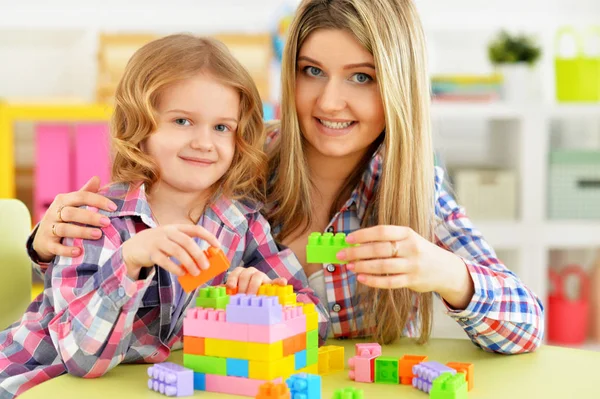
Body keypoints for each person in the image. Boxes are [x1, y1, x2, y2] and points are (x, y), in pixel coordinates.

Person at [27, 0, 543, 356]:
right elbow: (118, 252)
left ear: (398, 85)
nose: (329, 101)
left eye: (361, 77)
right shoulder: (235, 155)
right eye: (311, 70)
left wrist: (451, 275)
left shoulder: (411, 187)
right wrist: (47, 242)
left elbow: (527, 327)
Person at [0, 34, 328, 398]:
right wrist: (129, 260)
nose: (204, 142)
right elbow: (82, 359)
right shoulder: (95, 221)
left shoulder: (242, 222)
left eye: (221, 127)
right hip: (32, 380)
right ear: (139, 125)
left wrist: (270, 298)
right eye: (183, 121)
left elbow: (317, 320)